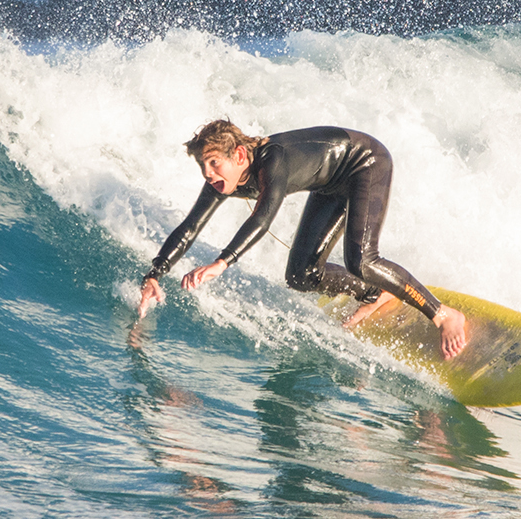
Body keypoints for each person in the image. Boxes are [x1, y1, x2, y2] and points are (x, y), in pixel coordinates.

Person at [136, 120, 469, 359]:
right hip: (330, 184)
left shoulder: (272, 161)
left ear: (239, 156)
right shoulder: (223, 181)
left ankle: (443, 315)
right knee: (301, 275)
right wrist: (155, 273)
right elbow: (190, 226)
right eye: (203, 165)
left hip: (364, 162)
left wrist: (221, 263)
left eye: (213, 163)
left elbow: (262, 219)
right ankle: (376, 293)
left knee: (362, 260)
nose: (208, 173)